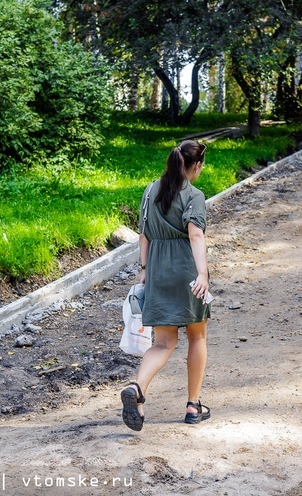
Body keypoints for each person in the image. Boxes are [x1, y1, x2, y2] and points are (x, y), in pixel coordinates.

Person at [120, 140, 212, 431]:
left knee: (163, 342)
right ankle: (193, 405)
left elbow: (143, 235)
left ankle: (137, 389)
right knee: (196, 338)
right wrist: (203, 275)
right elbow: (196, 236)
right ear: (196, 166)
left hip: (158, 268)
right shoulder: (193, 195)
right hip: (186, 269)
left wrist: (144, 271)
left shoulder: (150, 190)